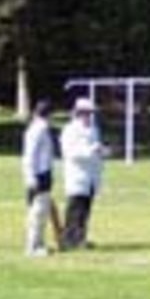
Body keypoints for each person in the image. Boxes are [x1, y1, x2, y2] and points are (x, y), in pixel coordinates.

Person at [60, 97, 108, 250]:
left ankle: (81, 238)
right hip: (77, 175)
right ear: (78, 113)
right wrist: (90, 151)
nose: (88, 117)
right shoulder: (70, 130)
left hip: (91, 176)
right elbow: (69, 153)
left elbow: (96, 149)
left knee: (86, 210)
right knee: (75, 209)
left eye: (90, 113)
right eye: (86, 113)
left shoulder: (94, 130)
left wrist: (102, 152)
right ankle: (69, 239)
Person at [21, 99, 61, 256]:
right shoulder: (37, 130)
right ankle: (32, 247)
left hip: (44, 173)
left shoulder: (41, 128)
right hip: (38, 175)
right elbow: (29, 156)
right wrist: (31, 178)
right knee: (37, 211)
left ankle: (38, 243)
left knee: (42, 211)